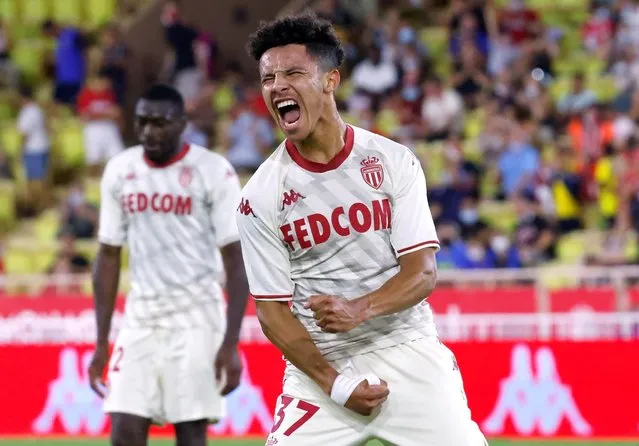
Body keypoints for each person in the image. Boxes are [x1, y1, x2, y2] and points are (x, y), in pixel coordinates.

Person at [237, 12, 487, 446]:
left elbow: (423, 272)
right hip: (320, 366)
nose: (277, 86)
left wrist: (359, 309)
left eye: (293, 72)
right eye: (268, 77)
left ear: (330, 80)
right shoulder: (259, 196)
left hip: (406, 347)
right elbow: (272, 313)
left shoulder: (393, 161)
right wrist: (335, 383)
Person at [88, 84, 250, 446]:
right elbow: (108, 255)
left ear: (182, 123)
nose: (149, 131)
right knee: (124, 431)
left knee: (190, 434)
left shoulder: (213, 171)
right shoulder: (120, 169)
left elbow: (237, 261)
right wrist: (101, 342)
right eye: (142, 122)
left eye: (159, 123)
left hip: (197, 318)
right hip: (140, 318)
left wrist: (231, 342)